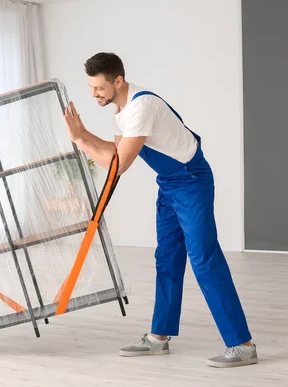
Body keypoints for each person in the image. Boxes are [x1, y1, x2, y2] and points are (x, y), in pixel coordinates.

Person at [62, 52, 256, 368]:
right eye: (91, 88)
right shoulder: (122, 110)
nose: (93, 94)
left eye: (98, 88)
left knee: (205, 260)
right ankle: (158, 337)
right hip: (169, 183)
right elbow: (115, 153)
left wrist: (81, 139)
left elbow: (118, 166)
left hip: (191, 182)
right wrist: (83, 137)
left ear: (118, 81)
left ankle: (243, 345)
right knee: (166, 258)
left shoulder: (140, 108)